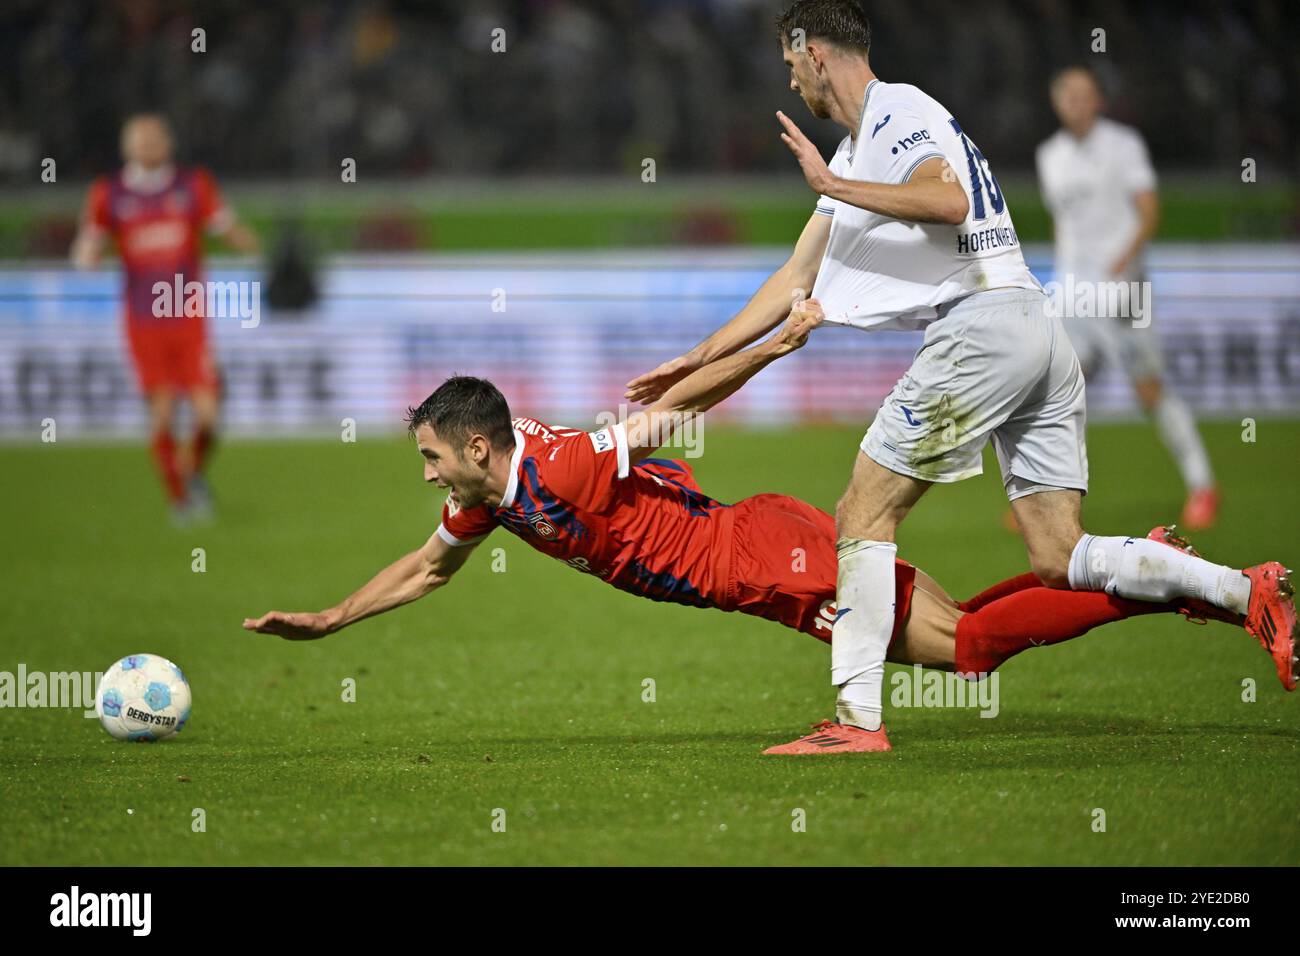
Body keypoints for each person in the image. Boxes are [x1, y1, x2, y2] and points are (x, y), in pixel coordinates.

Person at [625, 1, 1294, 753]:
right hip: (1031, 327)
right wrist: (700, 353)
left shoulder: (893, 115)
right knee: (1058, 555)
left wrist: (835, 185)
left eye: (789, 63)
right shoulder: (856, 150)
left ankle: (855, 724)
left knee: (861, 514)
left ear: (814, 53)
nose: (789, 80)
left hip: (983, 327)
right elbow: (795, 276)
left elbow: (949, 200)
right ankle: (1244, 591)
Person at [243, 306, 1294, 754]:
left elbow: (677, 407)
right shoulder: (488, 496)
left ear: (476, 444)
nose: (427, 476)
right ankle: (1163, 577)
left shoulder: (557, 459)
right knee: (965, 626)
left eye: (432, 455)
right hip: (760, 560)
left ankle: (1202, 588)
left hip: (762, 553)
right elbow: (429, 569)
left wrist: (777, 344)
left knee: (964, 651)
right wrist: (331, 616)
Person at [1037, 65, 1218, 530]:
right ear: (1057, 103)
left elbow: (1149, 212)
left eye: (1085, 93)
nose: (1076, 102)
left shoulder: (1124, 146)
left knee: (1148, 388)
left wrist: (1123, 267)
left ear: (1098, 99)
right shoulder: (1050, 155)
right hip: (1074, 293)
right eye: (1067, 95)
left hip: (1124, 290)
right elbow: (1064, 223)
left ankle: (1202, 486)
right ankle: (1046, 499)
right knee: (1059, 390)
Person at [71, 113, 259, 523]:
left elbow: (226, 226)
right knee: (162, 411)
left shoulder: (193, 186)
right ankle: (180, 502)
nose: (149, 145)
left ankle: (189, 471)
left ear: (169, 143)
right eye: (140, 139)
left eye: (155, 137)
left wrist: (254, 248)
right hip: (143, 321)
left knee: (208, 413)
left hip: (189, 317)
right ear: (127, 146)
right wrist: (86, 256)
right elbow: (88, 245)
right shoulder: (109, 193)